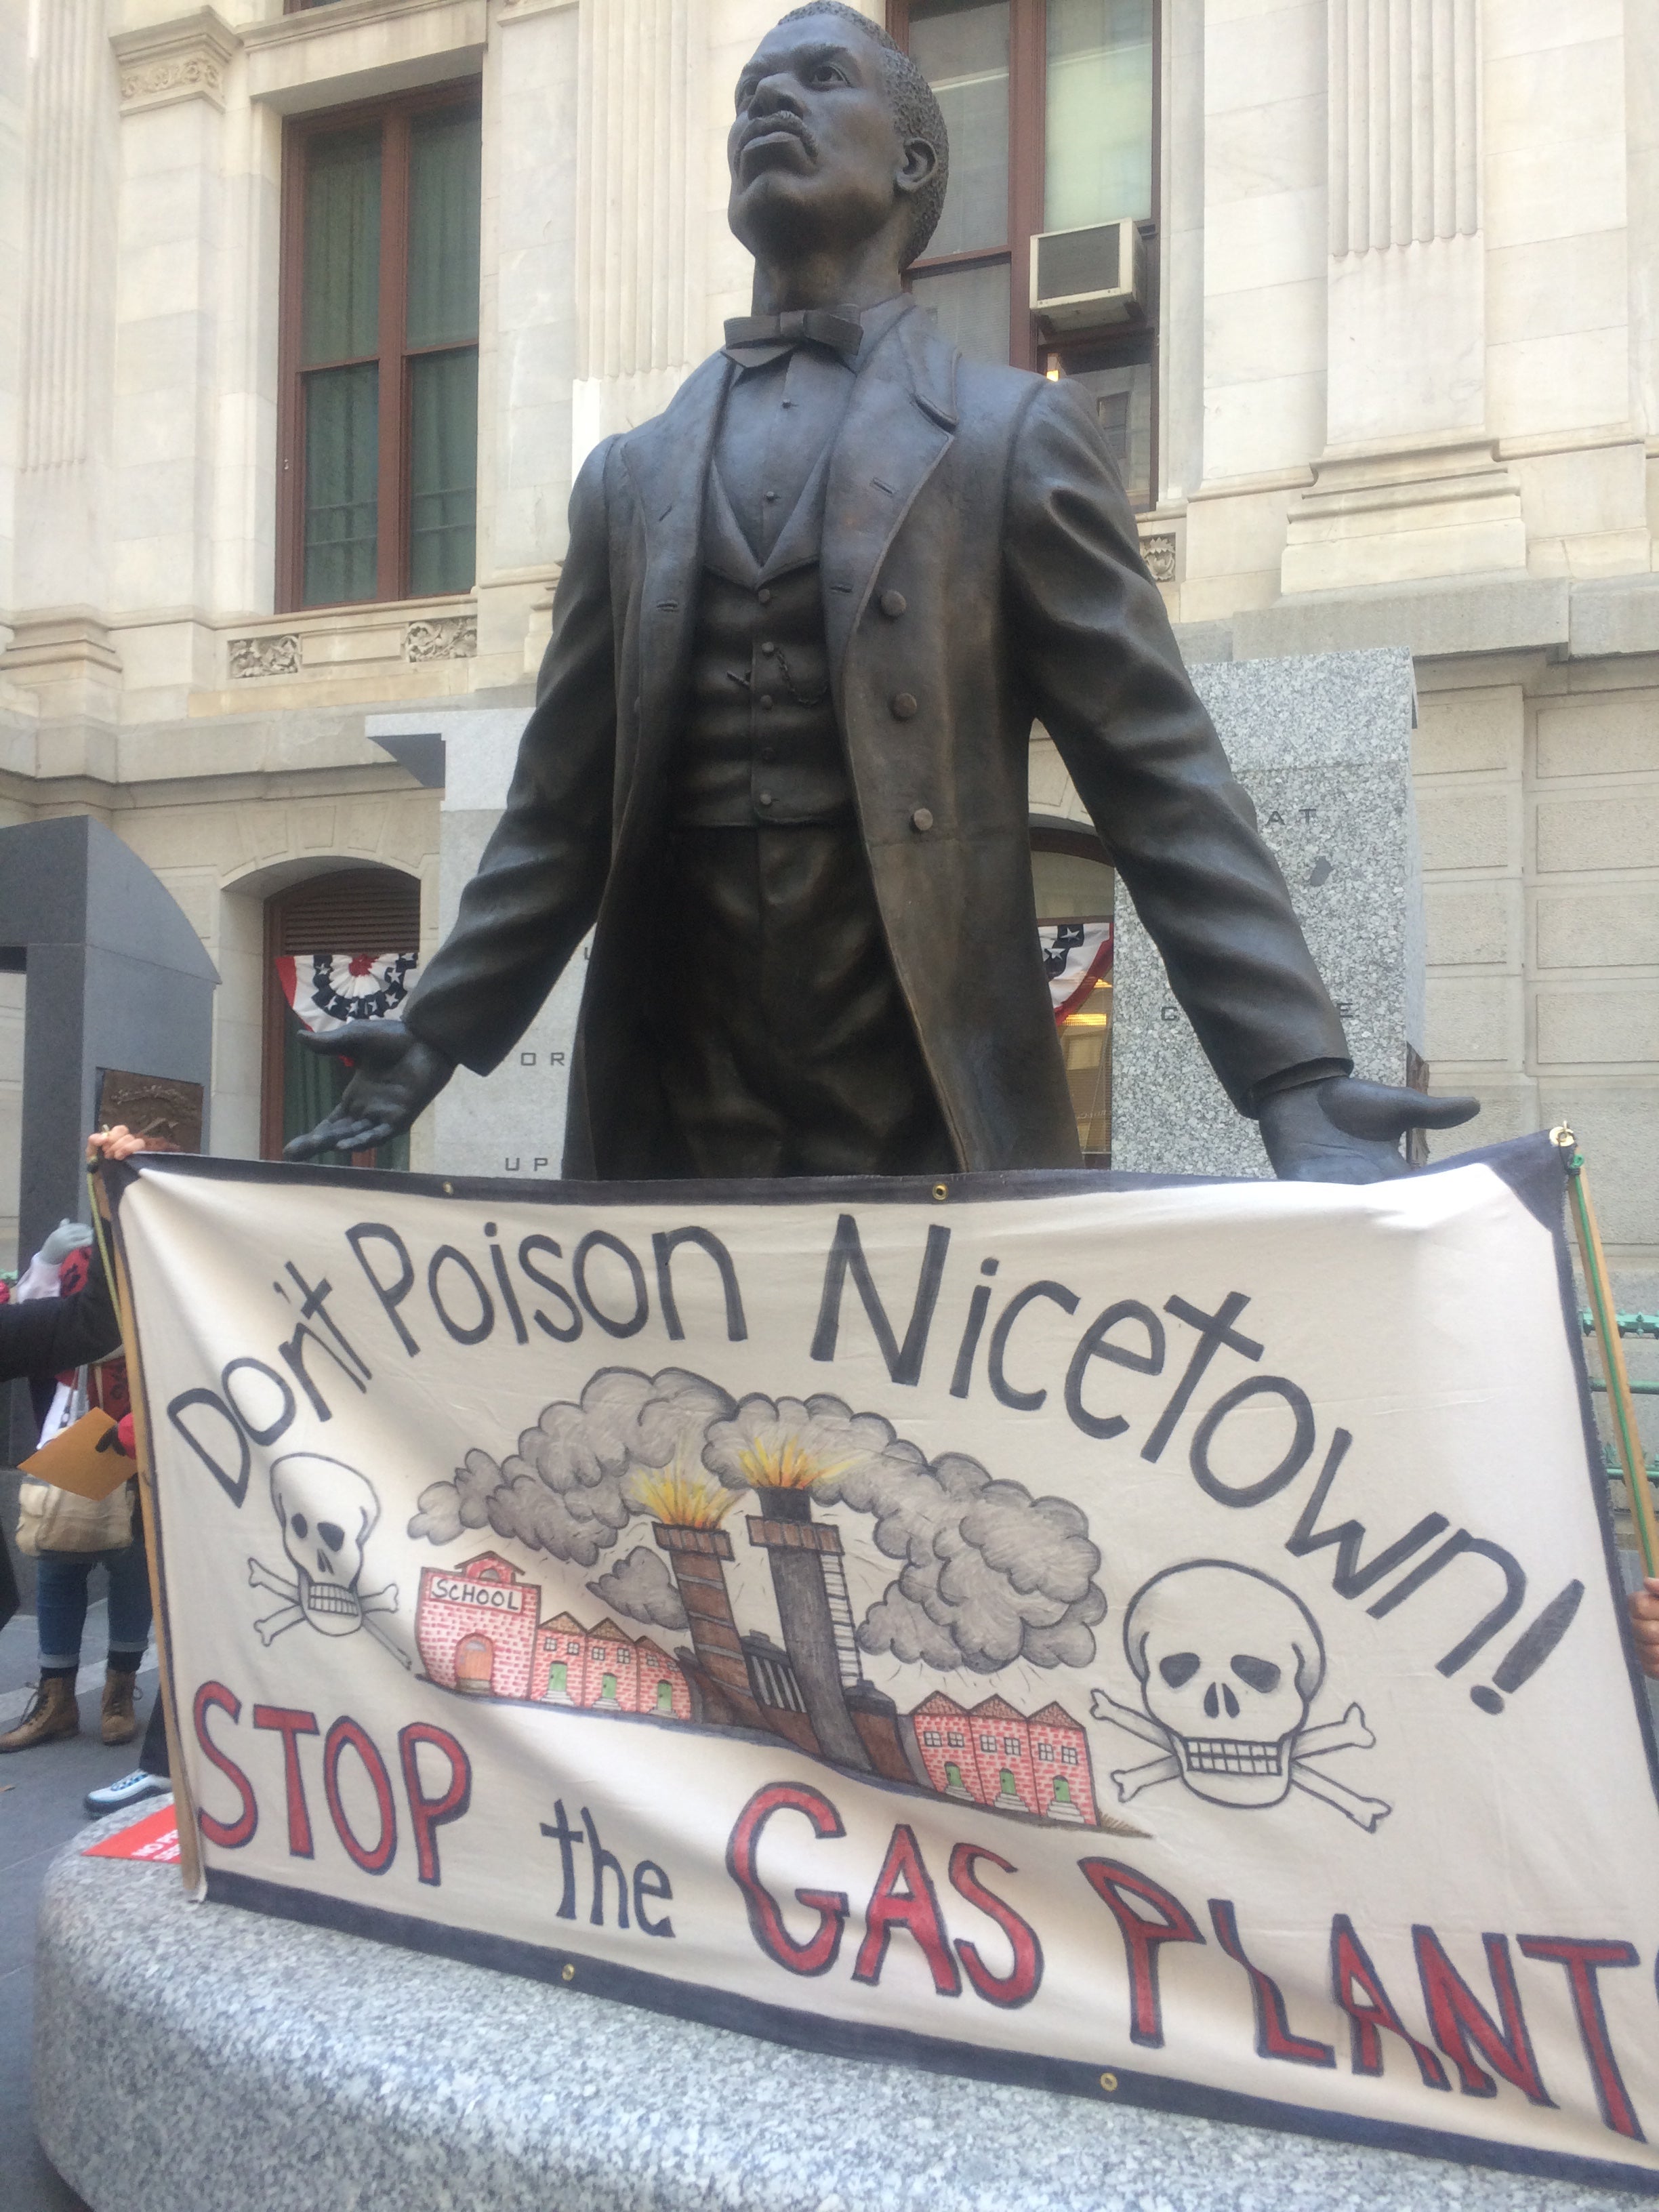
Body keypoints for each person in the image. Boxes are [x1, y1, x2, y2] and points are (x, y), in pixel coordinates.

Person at [285, 3, 1475, 1188]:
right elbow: (557, 812)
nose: (769, 102)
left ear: (911, 158)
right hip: (676, 1099)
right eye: (752, 89)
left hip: (928, 1082)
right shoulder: (628, 479)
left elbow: (1156, 770)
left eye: (816, 78)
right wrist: (438, 1026)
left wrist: (1293, 1078)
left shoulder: (1012, 438)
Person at [0, 1127, 153, 1757]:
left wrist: (109, 1197)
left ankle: (118, 1687)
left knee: (130, 1564)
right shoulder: (65, 1269)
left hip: (130, 1436)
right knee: (60, 1564)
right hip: (73, 1430)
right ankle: (58, 1696)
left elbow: (91, 1325)